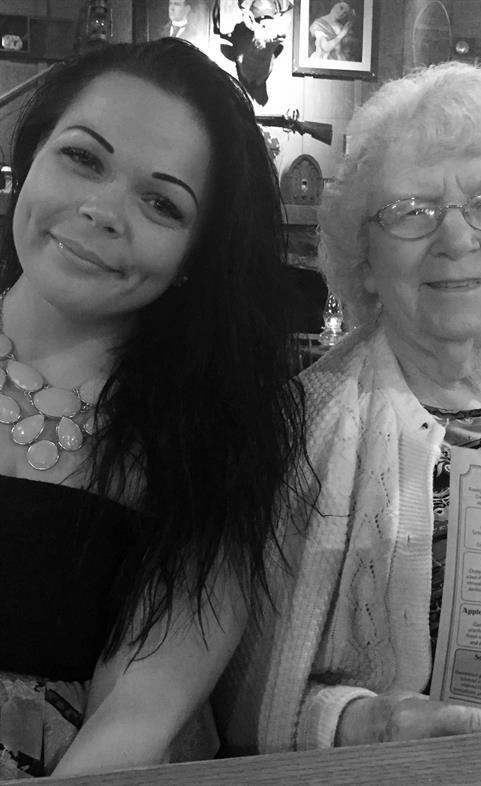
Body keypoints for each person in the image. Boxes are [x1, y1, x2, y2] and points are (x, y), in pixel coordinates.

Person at [214, 61, 481, 753]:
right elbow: (238, 691)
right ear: (362, 257)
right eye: (410, 212)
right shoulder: (293, 430)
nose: (456, 238)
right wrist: (369, 723)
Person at [0, 37, 305, 778]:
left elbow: (143, 707)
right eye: (82, 158)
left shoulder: (216, 435)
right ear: (31, 159)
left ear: (193, 255)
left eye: (161, 203)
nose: (102, 211)